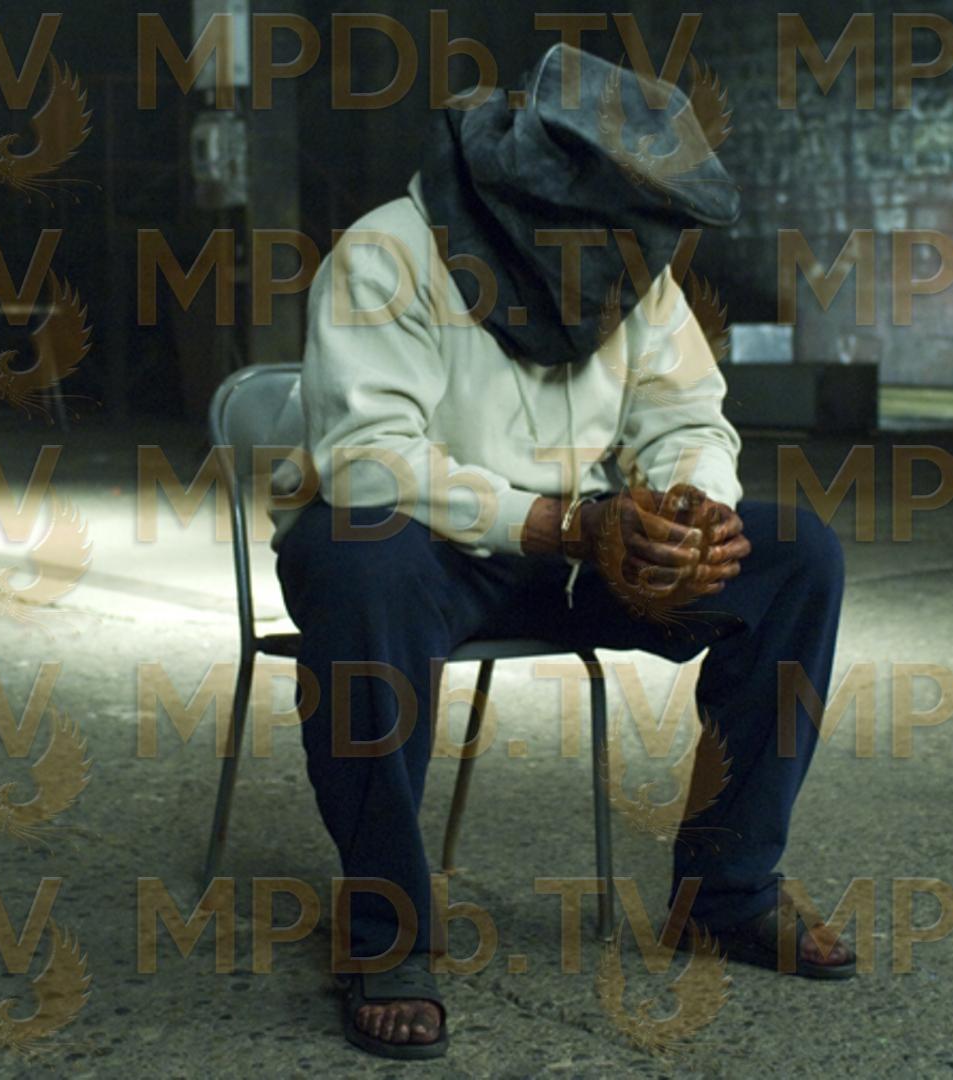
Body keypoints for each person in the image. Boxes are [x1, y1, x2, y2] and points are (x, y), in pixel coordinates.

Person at [268, 44, 851, 1061]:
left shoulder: (634, 273)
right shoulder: (389, 252)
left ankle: (726, 896)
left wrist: (692, 516)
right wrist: (569, 525)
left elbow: (688, 418)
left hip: (585, 551)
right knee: (358, 556)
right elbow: (367, 460)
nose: (641, 261)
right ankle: (384, 931)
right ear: (540, 196)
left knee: (798, 556)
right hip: (423, 555)